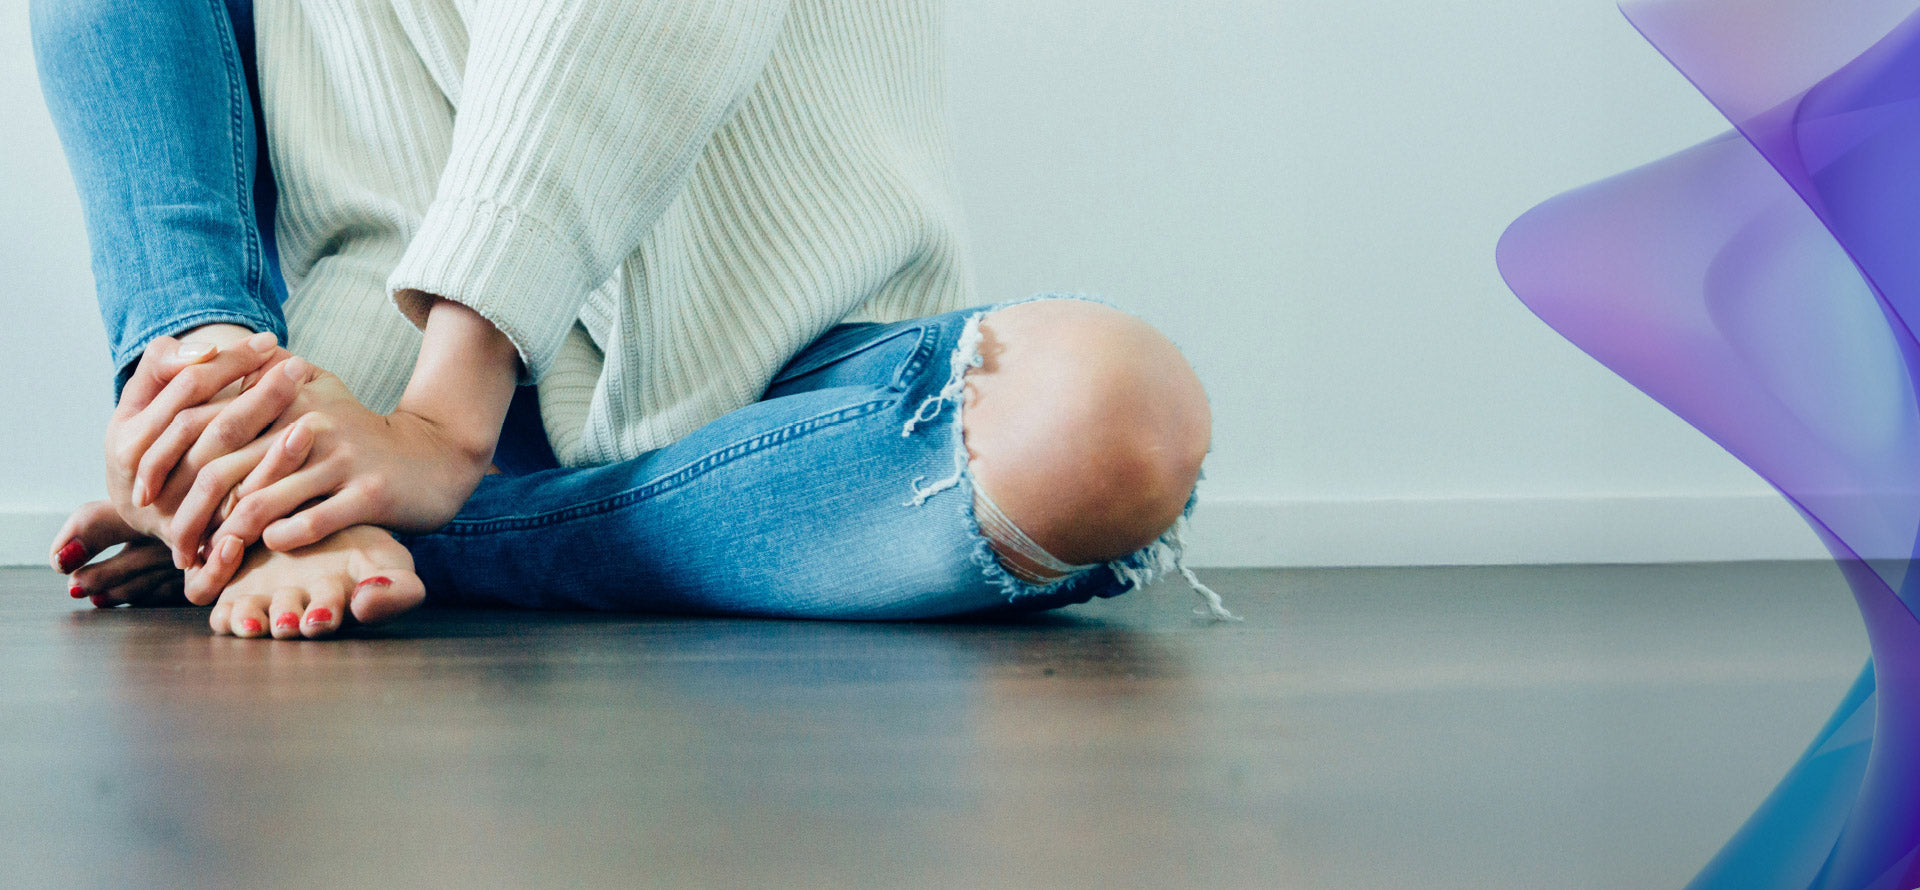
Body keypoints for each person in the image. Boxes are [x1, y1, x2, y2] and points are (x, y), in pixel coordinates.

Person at [33, 0, 1232, 640]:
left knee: (1113, 418)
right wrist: (243, 412)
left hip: (781, 377)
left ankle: (377, 525)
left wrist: (439, 429)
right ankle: (222, 436)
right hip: (369, 381)